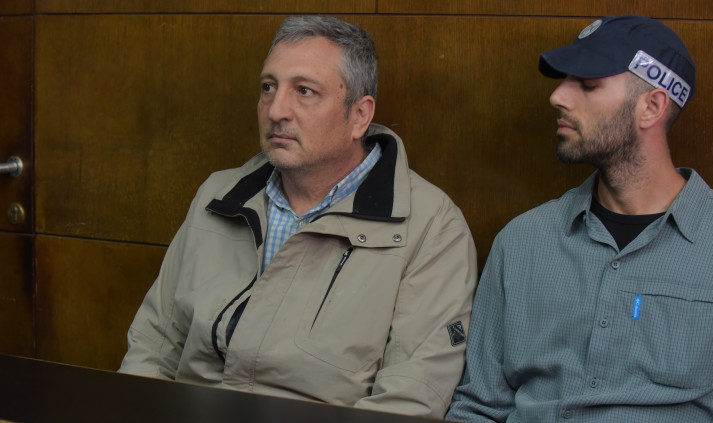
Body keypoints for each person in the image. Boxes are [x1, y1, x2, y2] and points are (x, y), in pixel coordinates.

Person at [119, 16, 477, 418]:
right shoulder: (217, 195)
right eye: (268, 87)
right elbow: (152, 347)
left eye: (304, 91)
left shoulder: (432, 226)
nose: (276, 110)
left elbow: (408, 402)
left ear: (359, 115)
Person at [447, 15, 713, 422]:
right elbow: (478, 408)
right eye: (565, 81)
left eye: (588, 85)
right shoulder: (521, 242)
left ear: (652, 107)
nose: (558, 96)